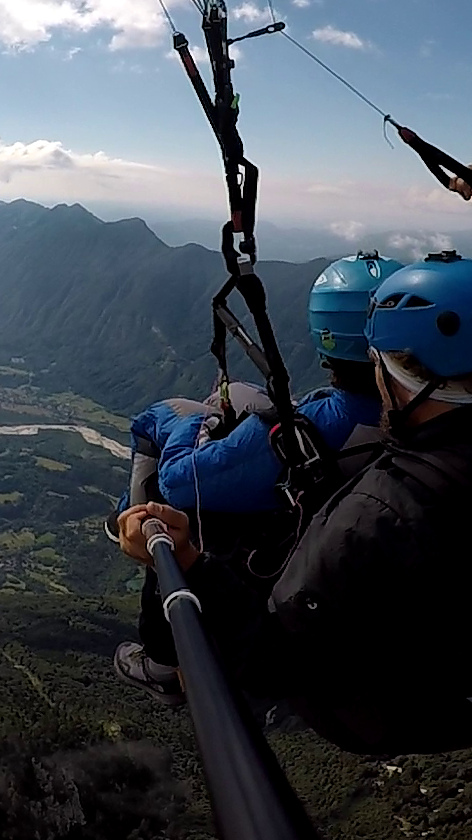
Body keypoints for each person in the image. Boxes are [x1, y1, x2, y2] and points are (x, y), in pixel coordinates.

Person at [117, 163, 472, 754]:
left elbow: (273, 661)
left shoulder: (383, 515)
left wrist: (185, 559)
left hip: (401, 708)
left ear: (393, 372)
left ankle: (164, 661)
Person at [112, 253, 403, 705]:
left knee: (159, 418)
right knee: (245, 395)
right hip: (333, 546)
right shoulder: (423, 420)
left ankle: (164, 652)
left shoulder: (309, 426)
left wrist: (205, 419)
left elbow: (179, 481)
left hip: (269, 551)